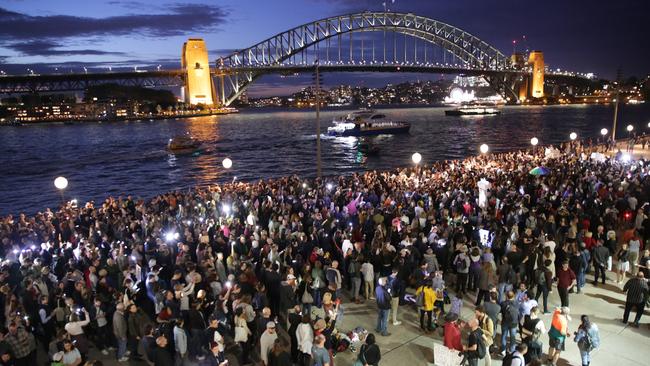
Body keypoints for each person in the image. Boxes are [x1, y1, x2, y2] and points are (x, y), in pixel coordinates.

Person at [499, 291, 518, 356]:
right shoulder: (517, 303)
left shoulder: (503, 303)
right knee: (512, 337)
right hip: (514, 323)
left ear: (506, 296)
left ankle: (503, 350)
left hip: (505, 322)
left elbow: (500, 311)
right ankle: (512, 350)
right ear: (513, 296)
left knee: (504, 336)